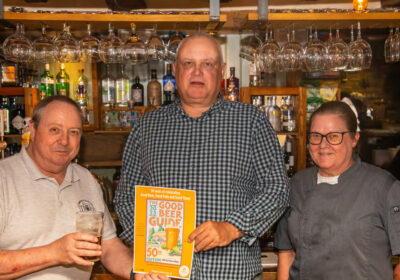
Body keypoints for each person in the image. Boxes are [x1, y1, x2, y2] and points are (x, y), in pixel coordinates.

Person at [114, 32, 289, 280]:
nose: (197, 72)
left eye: (207, 64)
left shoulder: (251, 122)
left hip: (232, 275)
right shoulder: (146, 128)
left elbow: (278, 189)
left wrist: (232, 227)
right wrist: (147, 246)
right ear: (175, 70)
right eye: (189, 63)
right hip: (165, 276)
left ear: (221, 71)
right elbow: (125, 198)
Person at [0, 95, 133, 280]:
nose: (64, 141)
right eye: (55, 130)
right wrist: (54, 253)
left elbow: (108, 246)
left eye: (74, 132)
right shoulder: (4, 178)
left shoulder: (85, 179)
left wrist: (138, 273)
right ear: (33, 128)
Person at [275, 101, 400, 280]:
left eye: (334, 136)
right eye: (316, 136)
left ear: (354, 138)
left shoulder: (384, 187)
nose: (323, 145)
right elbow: (287, 255)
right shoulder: (296, 185)